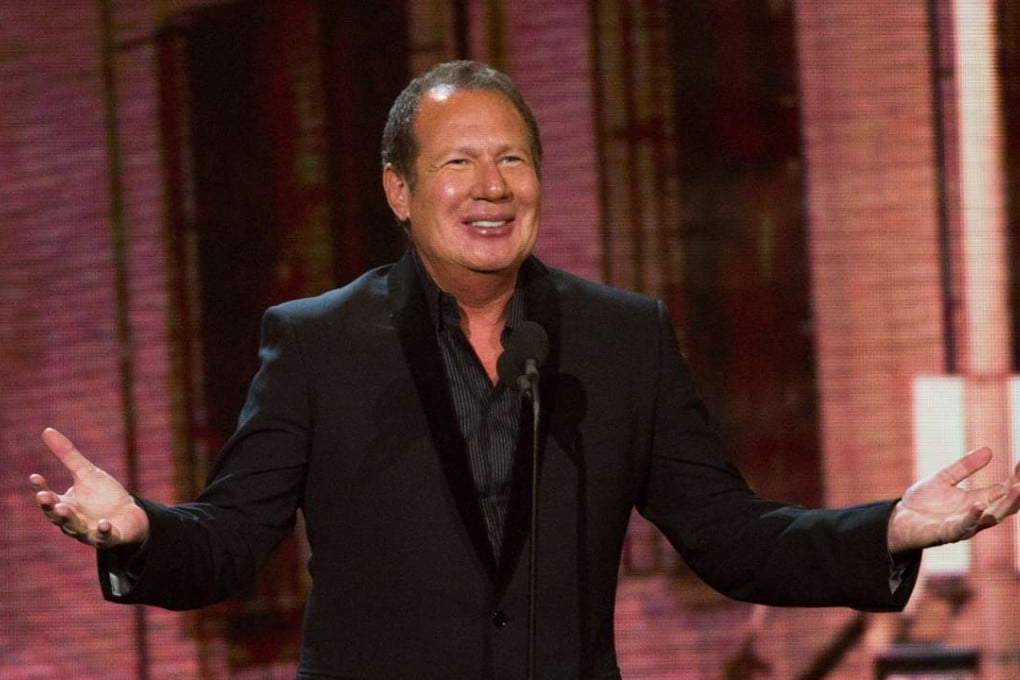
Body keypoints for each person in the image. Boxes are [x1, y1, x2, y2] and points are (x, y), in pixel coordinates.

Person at [30, 60, 1020, 679]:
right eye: (458, 162)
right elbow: (232, 541)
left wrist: (890, 527)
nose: (491, 186)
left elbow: (733, 536)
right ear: (400, 190)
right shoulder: (319, 341)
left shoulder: (620, 335)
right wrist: (138, 530)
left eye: (513, 159)